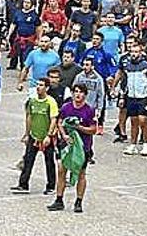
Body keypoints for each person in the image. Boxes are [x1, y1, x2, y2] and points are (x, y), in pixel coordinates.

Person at [46, 84, 97, 213]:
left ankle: (78, 201)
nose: (77, 94)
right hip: (67, 145)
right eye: (75, 92)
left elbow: (93, 129)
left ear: (85, 95)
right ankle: (59, 200)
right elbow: (60, 122)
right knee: (62, 171)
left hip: (83, 146)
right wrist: (64, 135)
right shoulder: (66, 107)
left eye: (80, 92)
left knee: (81, 173)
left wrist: (79, 127)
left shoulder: (89, 110)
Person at [11, 77, 58, 195]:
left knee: (49, 162)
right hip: (34, 135)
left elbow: (53, 120)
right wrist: (27, 134)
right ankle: (23, 184)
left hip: (46, 137)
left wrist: (49, 135)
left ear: (47, 88)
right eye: (38, 84)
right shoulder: (32, 101)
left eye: (41, 85)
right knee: (28, 160)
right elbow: (29, 117)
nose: (38, 87)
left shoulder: (50, 102)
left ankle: (51, 186)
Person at [116, 38, 147, 157]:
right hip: (131, 96)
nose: (134, 54)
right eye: (132, 52)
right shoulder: (127, 66)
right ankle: (132, 145)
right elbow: (124, 82)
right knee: (134, 121)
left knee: (143, 120)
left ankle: (145, 144)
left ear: (140, 52)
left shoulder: (146, 66)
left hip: (143, 96)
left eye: (136, 52)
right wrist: (122, 96)